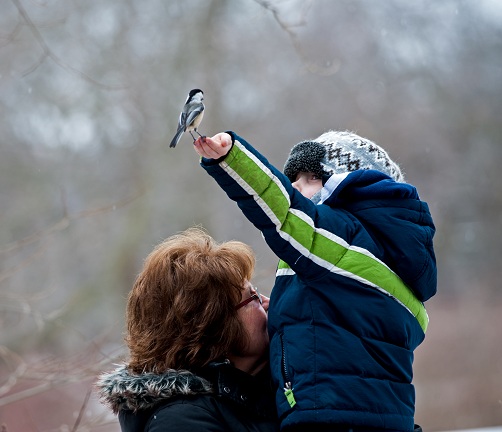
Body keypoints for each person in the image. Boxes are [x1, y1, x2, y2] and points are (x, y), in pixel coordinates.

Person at [193, 130, 437, 431]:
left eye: (311, 177)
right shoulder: (387, 266)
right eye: (293, 178)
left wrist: (232, 158)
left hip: (332, 416)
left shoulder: (342, 240)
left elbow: (283, 213)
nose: (295, 186)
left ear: (348, 183)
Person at [97, 227, 279, 432]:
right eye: (252, 297)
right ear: (215, 325)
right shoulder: (180, 421)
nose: (267, 303)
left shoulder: (265, 390)